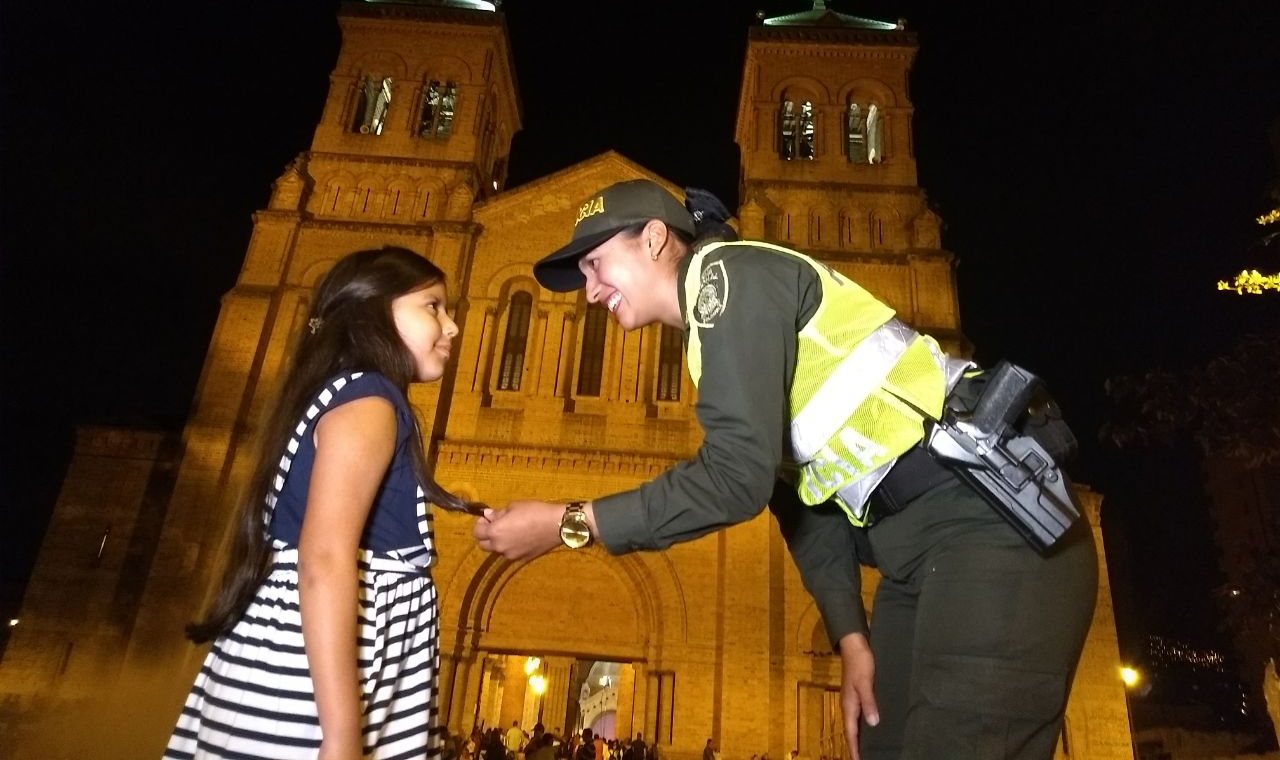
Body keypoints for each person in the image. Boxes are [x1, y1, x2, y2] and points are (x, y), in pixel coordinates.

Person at [472, 180, 1098, 760]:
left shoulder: (725, 277)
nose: (589, 291)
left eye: (595, 265)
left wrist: (565, 523)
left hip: (990, 528)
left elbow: (736, 479)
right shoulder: (707, 332)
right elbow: (799, 499)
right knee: (884, 742)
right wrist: (851, 636)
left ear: (656, 238)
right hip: (919, 553)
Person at [164, 246, 478, 760]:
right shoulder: (371, 402)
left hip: (293, 683)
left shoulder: (343, 397)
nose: (452, 326)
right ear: (372, 312)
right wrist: (341, 737)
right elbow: (325, 560)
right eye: (433, 306)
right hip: (304, 702)